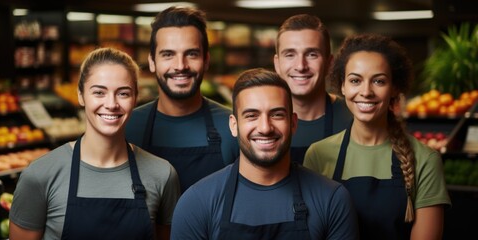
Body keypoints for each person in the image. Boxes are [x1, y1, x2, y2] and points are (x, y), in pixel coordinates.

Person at [9, 47, 180, 240]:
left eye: (123, 93)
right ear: (81, 95)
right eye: (99, 92)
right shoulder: (40, 175)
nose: (111, 104)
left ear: (135, 98)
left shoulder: (162, 175)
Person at [171, 68, 359, 240]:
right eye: (252, 115)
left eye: (277, 114)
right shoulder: (196, 203)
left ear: (293, 123)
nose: (265, 128)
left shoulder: (332, 200)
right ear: (233, 125)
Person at [303, 34, 451, 240]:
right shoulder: (318, 154)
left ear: (394, 88)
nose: (366, 92)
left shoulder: (425, 159)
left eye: (379, 81)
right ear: (342, 86)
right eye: (355, 80)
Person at [125, 6, 239, 193]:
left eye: (191, 54)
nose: (180, 66)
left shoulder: (232, 127)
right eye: (168, 54)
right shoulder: (128, 127)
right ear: (152, 62)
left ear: (206, 60)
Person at [273, 14, 353, 164]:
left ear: (329, 64)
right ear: (277, 64)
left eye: (311, 54)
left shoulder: (353, 118)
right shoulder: (262, 123)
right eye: (290, 55)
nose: (301, 66)